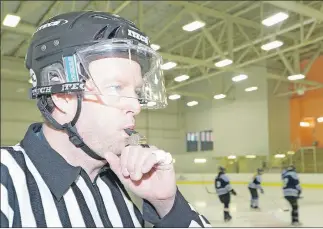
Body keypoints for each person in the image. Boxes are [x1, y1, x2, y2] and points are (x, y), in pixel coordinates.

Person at [0, 11, 211, 228]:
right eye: (116, 87)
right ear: (63, 96)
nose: (136, 106)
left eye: (136, 92)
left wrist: (168, 206)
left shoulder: (136, 187)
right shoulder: (6, 180)